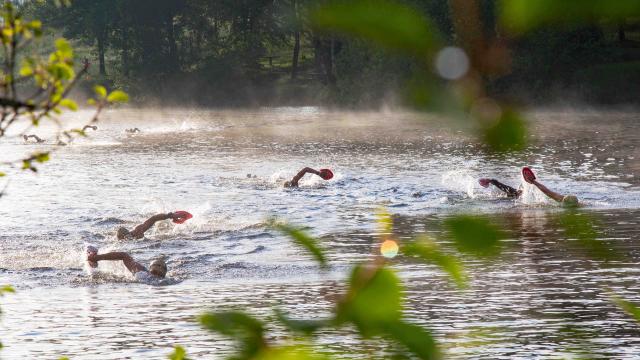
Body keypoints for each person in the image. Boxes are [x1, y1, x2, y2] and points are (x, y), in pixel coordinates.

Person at [479, 167, 579, 207]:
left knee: (514, 195)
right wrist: (533, 182)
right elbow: (547, 191)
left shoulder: (562, 201)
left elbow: (547, 192)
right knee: (516, 194)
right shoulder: (580, 205)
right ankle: (493, 182)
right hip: (522, 194)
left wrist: (533, 182)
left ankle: (493, 182)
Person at [86, 246, 167, 280]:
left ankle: (94, 258)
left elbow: (123, 255)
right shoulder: (168, 281)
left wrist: (97, 258)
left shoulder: (143, 273)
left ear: (151, 268)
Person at [117, 211, 192, 240]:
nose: (127, 238)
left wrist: (169, 216)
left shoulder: (137, 231)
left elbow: (153, 219)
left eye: (127, 236)